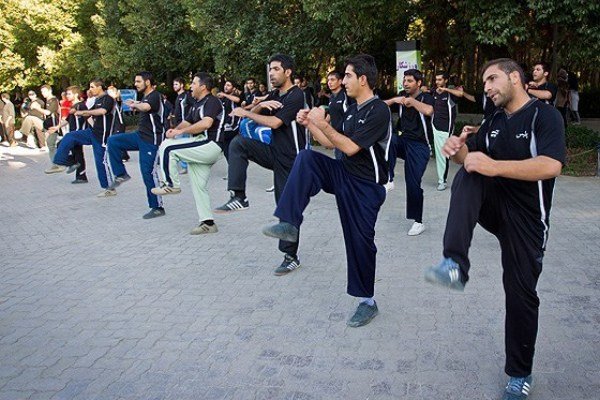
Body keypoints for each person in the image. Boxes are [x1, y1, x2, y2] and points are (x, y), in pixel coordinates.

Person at [423, 58, 565, 400]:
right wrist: (458, 151)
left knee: (520, 295)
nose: (486, 87)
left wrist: (493, 165)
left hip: (528, 221)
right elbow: (475, 158)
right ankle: (455, 263)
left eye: (492, 79)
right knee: (469, 174)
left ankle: (519, 374)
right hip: (496, 206)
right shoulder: (495, 120)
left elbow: (551, 165)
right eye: (484, 81)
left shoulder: (544, 115)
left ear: (514, 77)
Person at [263, 54, 391, 327]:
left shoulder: (378, 110)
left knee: (360, 243)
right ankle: (288, 222)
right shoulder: (352, 108)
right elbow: (331, 144)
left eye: (347, 76)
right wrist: (310, 123)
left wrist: (321, 123)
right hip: (343, 174)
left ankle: (367, 302)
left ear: (363, 79)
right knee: (307, 159)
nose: (342, 81)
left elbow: (350, 147)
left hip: (366, 188)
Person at [215, 54, 308, 275]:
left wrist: (247, 111)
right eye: (270, 70)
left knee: (286, 207)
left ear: (288, 72)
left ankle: (290, 257)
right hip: (275, 152)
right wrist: (259, 104)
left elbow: (276, 122)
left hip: (293, 160)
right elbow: (251, 117)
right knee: (238, 144)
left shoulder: (296, 96)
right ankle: (239, 196)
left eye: (276, 69)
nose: (271, 73)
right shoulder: (275, 94)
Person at [151, 72, 224, 233]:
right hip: (201, 144)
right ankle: (208, 223)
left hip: (210, 144)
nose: (190, 86)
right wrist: (174, 130)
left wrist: (176, 135)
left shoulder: (212, 101)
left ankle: (171, 184)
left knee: (168, 147)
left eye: (194, 83)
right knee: (198, 186)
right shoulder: (197, 103)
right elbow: (187, 122)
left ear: (203, 87)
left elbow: (206, 123)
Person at [106, 72, 166, 219]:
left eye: (138, 81)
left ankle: (157, 207)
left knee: (148, 172)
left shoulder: (155, 96)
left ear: (148, 82)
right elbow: (144, 106)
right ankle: (121, 174)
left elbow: (147, 107)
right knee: (113, 141)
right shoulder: (146, 96)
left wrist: (137, 105)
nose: (136, 84)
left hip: (151, 140)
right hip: (139, 136)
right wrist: (136, 104)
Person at [384, 69, 434, 236]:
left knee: (413, 184)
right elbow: (380, 106)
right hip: (404, 141)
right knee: (389, 138)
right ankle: (389, 179)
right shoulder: (400, 96)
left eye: (410, 81)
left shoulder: (426, 97)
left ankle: (418, 222)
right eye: (404, 80)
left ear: (419, 83)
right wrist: (394, 100)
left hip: (420, 147)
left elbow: (429, 111)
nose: (405, 83)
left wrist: (412, 102)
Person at [51, 78, 115, 197]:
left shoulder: (108, 99)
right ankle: (62, 162)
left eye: (92, 87)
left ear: (99, 87)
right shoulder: (97, 100)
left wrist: (81, 112)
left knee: (101, 162)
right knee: (70, 136)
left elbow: (102, 111)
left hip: (102, 135)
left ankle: (109, 189)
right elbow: (89, 114)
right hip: (92, 132)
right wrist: (77, 111)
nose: (90, 90)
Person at [43, 86, 89, 183]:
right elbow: (67, 120)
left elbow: (88, 118)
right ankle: (80, 175)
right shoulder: (73, 106)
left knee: (62, 145)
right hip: (73, 133)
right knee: (77, 153)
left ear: (76, 94)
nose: (67, 96)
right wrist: (56, 127)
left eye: (69, 94)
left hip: (78, 133)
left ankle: (74, 166)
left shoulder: (81, 105)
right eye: (67, 94)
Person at [430, 71, 458, 191]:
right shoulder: (434, 92)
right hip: (434, 127)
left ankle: (443, 181)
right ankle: (441, 180)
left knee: (443, 155)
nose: (437, 82)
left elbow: (460, 94)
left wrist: (446, 90)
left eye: (440, 80)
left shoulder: (451, 94)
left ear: (446, 81)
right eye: (436, 80)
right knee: (439, 155)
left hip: (445, 129)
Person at [326, 70, 355, 160]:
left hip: (347, 137)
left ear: (340, 81)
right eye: (328, 80)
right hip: (336, 136)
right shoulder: (331, 97)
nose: (329, 82)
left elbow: (353, 112)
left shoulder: (346, 95)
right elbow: (330, 114)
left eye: (332, 80)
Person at [217, 80, 241, 159]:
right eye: (225, 85)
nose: (225, 87)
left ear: (233, 88)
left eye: (228, 85)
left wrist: (224, 94)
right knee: (227, 152)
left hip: (233, 127)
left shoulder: (234, 97)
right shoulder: (223, 99)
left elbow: (237, 100)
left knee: (229, 150)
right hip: (225, 126)